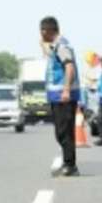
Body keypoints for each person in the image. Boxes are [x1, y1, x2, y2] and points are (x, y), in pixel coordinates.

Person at [41, 15, 80, 177]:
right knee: (61, 132)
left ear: (47, 30)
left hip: (63, 96)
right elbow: (48, 53)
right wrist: (42, 45)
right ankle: (68, 162)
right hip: (56, 96)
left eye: (41, 31)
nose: (40, 34)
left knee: (64, 132)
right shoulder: (56, 45)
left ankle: (70, 165)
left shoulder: (62, 46)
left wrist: (66, 90)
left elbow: (69, 67)